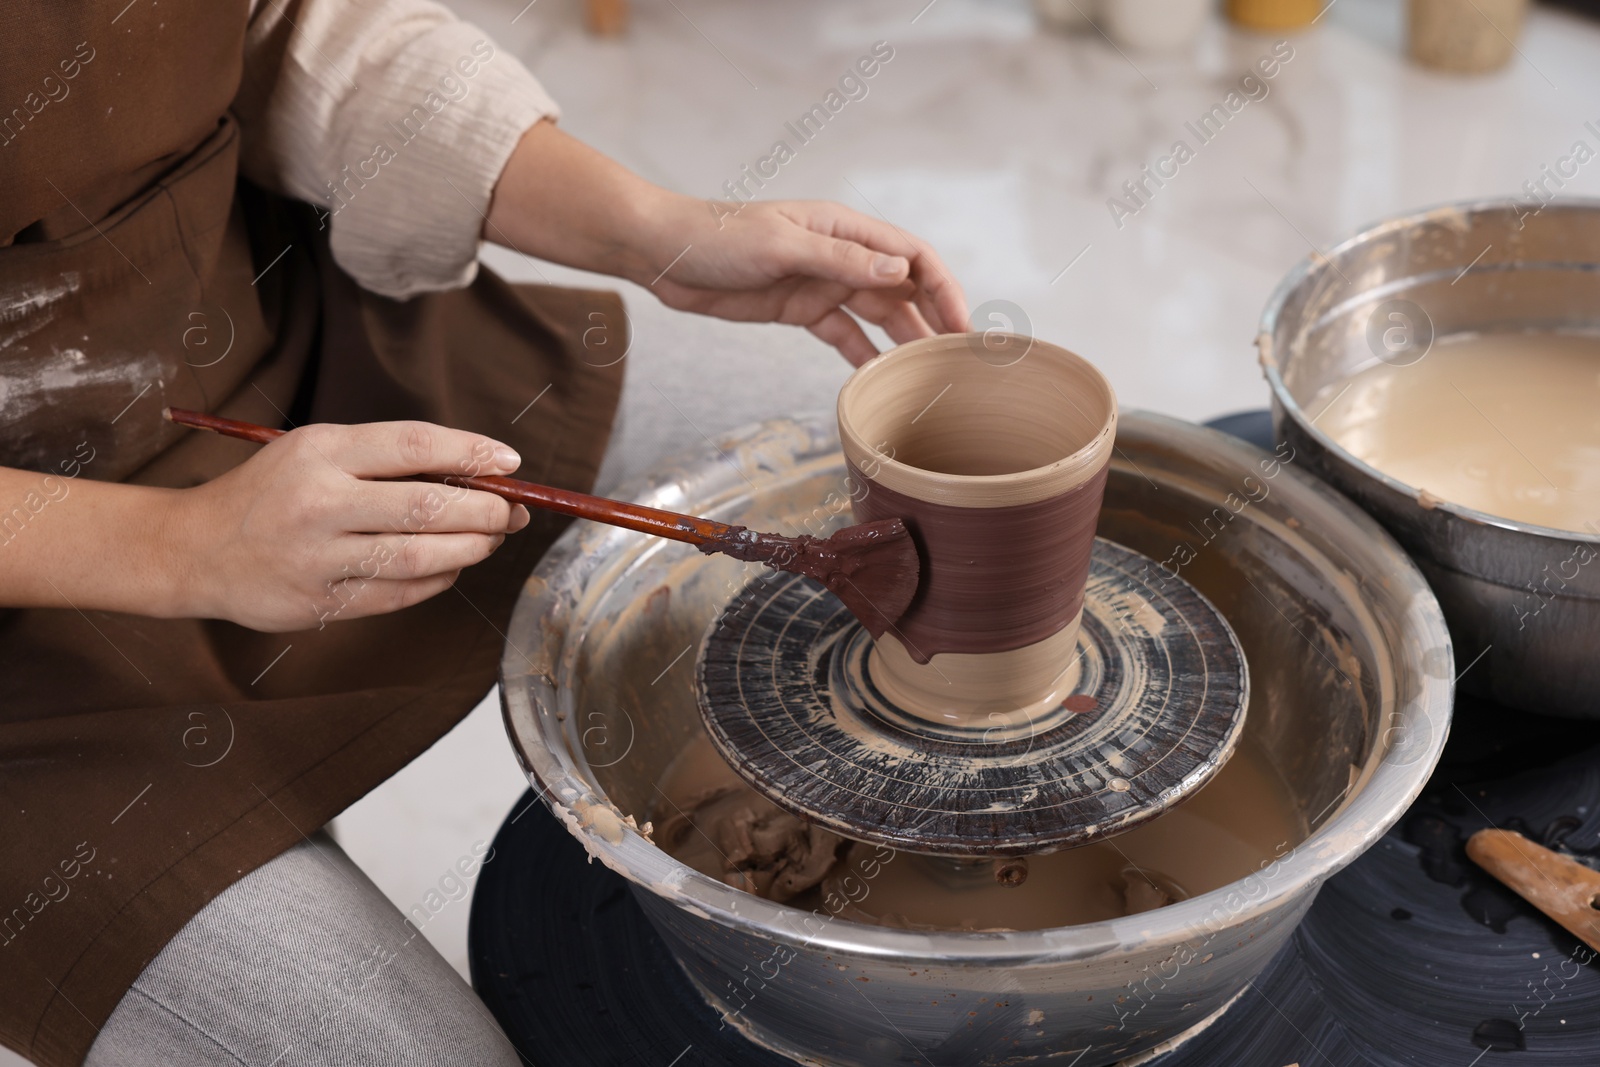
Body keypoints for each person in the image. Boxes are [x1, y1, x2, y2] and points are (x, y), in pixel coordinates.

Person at [0, 2, 968, 1065]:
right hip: (33, 637)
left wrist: (654, 231)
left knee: (860, 455)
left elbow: (280, 31)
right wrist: (185, 546)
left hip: (251, 345)